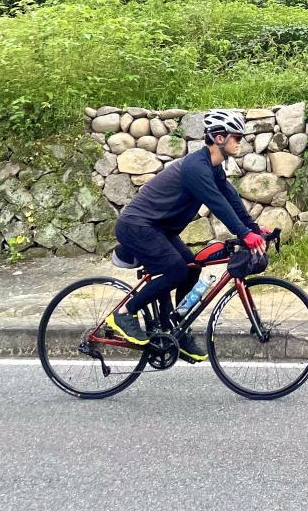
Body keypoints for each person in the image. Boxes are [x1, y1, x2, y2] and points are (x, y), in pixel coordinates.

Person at [106, 109, 273, 362]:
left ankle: (175, 328)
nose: (241, 142)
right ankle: (124, 314)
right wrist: (243, 234)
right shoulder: (196, 167)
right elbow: (217, 203)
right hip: (138, 226)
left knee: (192, 267)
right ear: (219, 138)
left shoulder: (214, 168)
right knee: (176, 271)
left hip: (158, 229)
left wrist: (253, 229)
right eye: (237, 137)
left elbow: (231, 199)